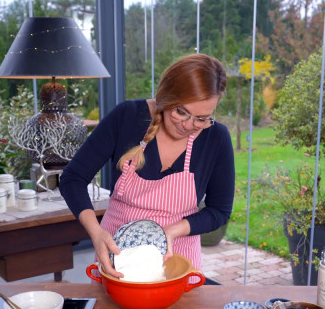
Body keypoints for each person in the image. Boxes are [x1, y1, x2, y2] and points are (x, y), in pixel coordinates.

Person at [59, 53, 234, 277]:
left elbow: (219, 211)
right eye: (181, 112)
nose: (188, 125)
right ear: (165, 96)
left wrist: (170, 232)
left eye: (201, 118)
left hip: (177, 259)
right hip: (116, 256)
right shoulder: (126, 117)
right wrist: (96, 232)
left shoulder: (216, 137)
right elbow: (73, 178)